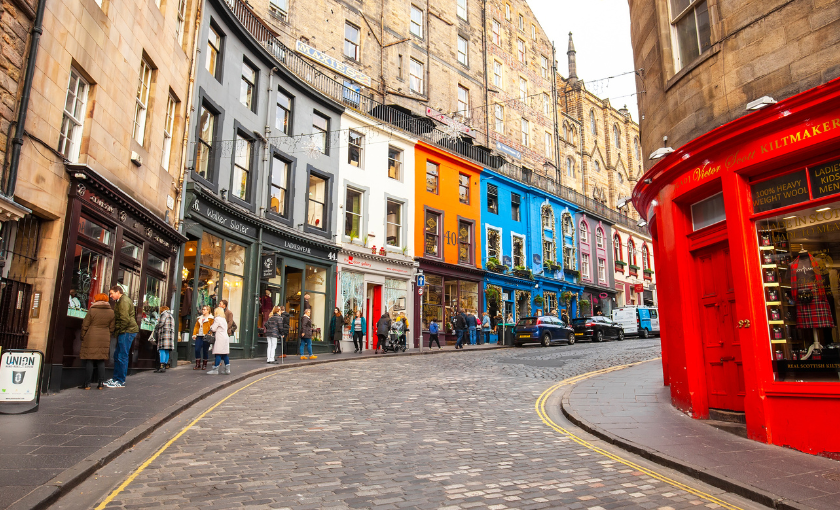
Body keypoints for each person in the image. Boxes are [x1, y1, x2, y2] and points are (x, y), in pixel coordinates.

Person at [103, 285, 139, 388]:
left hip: (127, 331)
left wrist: (120, 331)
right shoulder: (120, 301)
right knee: (117, 355)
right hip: (125, 331)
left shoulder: (123, 301)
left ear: (118, 292)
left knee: (122, 355)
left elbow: (124, 319)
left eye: (111, 293)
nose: (110, 296)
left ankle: (120, 380)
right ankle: (115, 378)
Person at [79, 293, 114, 390]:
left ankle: (87, 384)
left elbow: (85, 324)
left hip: (91, 336)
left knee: (89, 360)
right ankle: (101, 384)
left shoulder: (92, 310)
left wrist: (83, 335)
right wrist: (107, 335)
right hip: (104, 337)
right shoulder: (111, 312)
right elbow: (112, 328)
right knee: (101, 360)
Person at [207, 307, 231, 374]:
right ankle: (227, 370)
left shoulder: (217, 319)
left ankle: (215, 369)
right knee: (224, 354)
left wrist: (211, 327)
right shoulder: (224, 319)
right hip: (225, 337)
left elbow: (214, 329)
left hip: (220, 337)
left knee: (218, 353)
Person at [153, 306, 175, 373]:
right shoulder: (171, 316)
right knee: (167, 351)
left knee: (161, 349)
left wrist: (156, 324)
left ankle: (161, 366)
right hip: (170, 335)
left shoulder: (164, 314)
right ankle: (164, 366)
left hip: (164, 334)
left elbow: (161, 324)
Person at [192, 305, 213, 370]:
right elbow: (196, 327)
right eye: (203, 309)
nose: (203, 311)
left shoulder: (211, 319)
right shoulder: (199, 318)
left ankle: (204, 364)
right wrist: (194, 334)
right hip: (199, 336)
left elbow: (212, 327)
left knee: (205, 350)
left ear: (208, 310)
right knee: (197, 349)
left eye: (204, 309)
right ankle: (197, 364)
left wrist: (210, 334)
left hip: (206, 336)